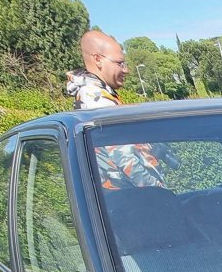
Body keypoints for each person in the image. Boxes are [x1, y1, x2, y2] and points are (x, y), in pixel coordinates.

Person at [65, 30, 168, 189]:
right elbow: (124, 157)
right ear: (98, 59)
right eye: (120, 63)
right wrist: (157, 190)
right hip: (128, 196)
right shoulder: (96, 99)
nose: (126, 70)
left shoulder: (100, 95)